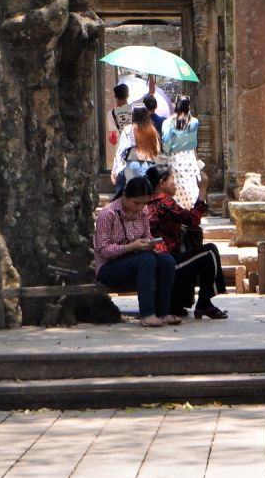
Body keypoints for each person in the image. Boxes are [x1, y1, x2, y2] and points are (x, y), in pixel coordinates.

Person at [93, 176, 180, 327]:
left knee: (166, 260)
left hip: (136, 262)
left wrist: (149, 244)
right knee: (147, 260)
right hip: (109, 268)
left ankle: (163, 312)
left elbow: (147, 235)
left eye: (144, 203)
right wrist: (130, 247)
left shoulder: (143, 212)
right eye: (136, 203)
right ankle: (147, 314)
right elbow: (104, 250)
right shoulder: (108, 214)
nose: (140, 207)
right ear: (125, 196)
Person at [145, 163, 227, 319]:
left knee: (191, 244)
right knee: (209, 251)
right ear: (162, 183)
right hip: (165, 262)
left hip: (158, 259)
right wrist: (203, 189)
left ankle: (183, 302)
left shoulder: (150, 201)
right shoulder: (163, 202)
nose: (175, 183)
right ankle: (204, 303)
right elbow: (192, 219)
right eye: (172, 179)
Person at [161, 96, 202, 209]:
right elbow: (194, 141)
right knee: (191, 186)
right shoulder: (194, 122)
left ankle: (179, 210)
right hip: (190, 158)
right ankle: (191, 209)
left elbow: (166, 141)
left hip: (175, 158)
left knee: (177, 187)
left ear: (176, 105)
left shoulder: (168, 122)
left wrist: (167, 153)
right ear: (189, 106)